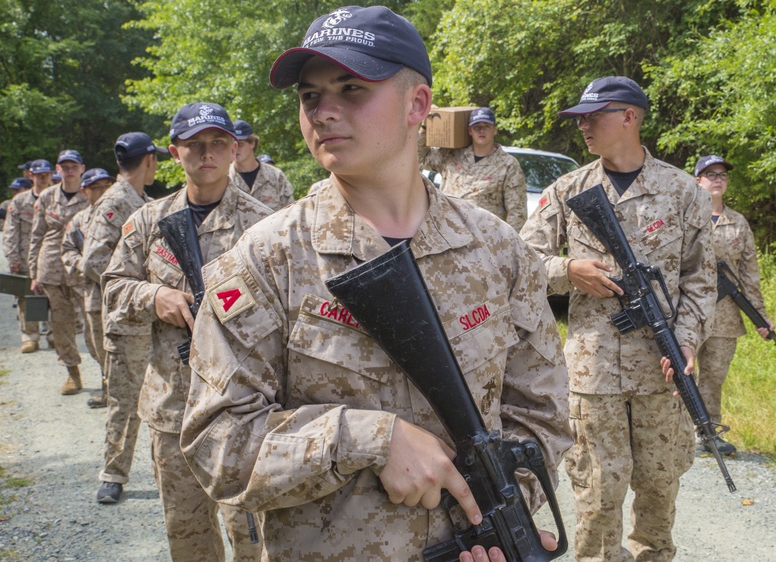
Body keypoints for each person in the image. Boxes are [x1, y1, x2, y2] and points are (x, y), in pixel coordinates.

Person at [179, 7, 571, 562]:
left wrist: (500, 514)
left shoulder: (499, 251)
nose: (324, 111)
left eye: (352, 88)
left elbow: (542, 416)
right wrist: (365, 438)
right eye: (310, 96)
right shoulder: (269, 259)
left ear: (417, 105)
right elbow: (216, 444)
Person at [519, 76, 717, 562]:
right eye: (580, 118)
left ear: (629, 116)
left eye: (594, 115)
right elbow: (520, 261)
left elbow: (701, 279)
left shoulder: (682, 190)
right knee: (597, 492)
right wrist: (569, 270)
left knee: (658, 485)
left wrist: (687, 342)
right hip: (593, 370)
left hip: (662, 367)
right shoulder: (569, 189)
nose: (583, 125)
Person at [101, 103, 269, 560]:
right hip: (173, 408)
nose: (206, 154)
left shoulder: (266, 225)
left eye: (218, 143)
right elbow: (112, 289)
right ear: (175, 153)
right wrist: (154, 298)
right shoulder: (148, 222)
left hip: (243, 408)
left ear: (235, 149)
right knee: (187, 535)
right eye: (194, 145)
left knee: (254, 537)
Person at [85, 132, 164, 502]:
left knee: (161, 401)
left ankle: (163, 472)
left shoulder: (143, 201)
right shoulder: (115, 202)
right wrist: (142, 281)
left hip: (150, 321)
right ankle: (113, 474)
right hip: (125, 323)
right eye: (157, 159)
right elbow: (93, 261)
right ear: (148, 160)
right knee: (123, 401)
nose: (158, 166)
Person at [693, 154, 772, 457]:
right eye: (710, 174)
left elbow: (749, 274)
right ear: (697, 180)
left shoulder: (738, 222)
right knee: (678, 373)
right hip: (689, 311)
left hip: (725, 316)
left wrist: (760, 317)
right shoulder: (684, 217)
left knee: (713, 376)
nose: (717, 179)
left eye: (722, 175)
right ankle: (672, 433)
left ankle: (708, 433)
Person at [28, 150, 89, 394]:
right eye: (65, 166)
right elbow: (36, 235)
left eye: (74, 165)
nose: (69, 170)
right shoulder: (46, 196)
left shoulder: (91, 194)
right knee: (61, 325)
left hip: (82, 267)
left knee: (94, 324)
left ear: (82, 168)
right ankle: (72, 373)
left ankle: (107, 375)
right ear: (58, 169)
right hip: (51, 267)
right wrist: (34, 272)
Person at [418, 106, 528, 231]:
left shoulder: (508, 164)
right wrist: (425, 127)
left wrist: (511, 246)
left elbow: (517, 211)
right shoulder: (451, 156)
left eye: (486, 126)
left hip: (486, 240)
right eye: (477, 127)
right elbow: (419, 158)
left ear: (495, 130)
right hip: (449, 234)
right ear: (470, 131)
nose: (481, 131)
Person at [61, 168, 114, 407]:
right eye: (96, 187)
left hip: (123, 289)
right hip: (93, 291)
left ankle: (121, 393)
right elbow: (67, 249)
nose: (103, 191)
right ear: (85, 191)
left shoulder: (121, 212)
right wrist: (82, 264)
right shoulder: (80, 220)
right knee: (96, 343)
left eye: (107, 185)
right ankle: (108, 387)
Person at [3, 161, 54, 353]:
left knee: (54, 298)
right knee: (26, 299)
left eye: (46, 174)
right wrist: (12, 257)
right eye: (38, 174)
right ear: (31, 176)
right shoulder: (20, 201)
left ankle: (53, 334)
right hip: (24, 259)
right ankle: (30, 337)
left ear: (51, 175)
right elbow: (10, 231)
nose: (42, 178)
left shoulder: (56, 198)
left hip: (50, 259)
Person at [229, 119, 295, 210]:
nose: (235, 149)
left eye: (240, 144)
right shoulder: (223, 179)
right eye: (232, 145)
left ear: (252, 143)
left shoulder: (276, 176)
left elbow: (290, 212)